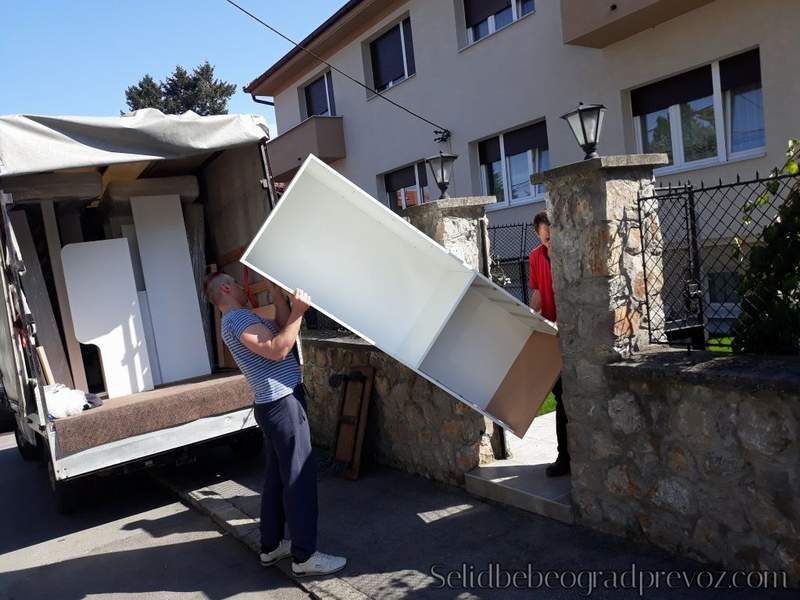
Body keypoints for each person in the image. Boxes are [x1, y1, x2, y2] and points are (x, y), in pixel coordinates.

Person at [204, 272, 347, 576]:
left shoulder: (242, 317)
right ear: (227, 288)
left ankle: (271, 546)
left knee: (277, 479)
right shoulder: (236, 321)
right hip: (282, 405)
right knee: (299, 479)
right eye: (239, 284)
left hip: (276, 403)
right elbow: (279, 349)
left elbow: (283, 328)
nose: (245, 288)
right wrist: (299, 311)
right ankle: (305, 557)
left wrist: (276, 293)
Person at [528, 211, 570, 477]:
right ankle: (564, 457)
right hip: (553, 336)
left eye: (553, 237)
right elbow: (539, 294)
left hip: (576, 333)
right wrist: (528, 319)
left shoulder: (569, 252)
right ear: (539, 235)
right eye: (546, 239)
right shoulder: (535, 257)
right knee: (561, 397)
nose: (550, 243)